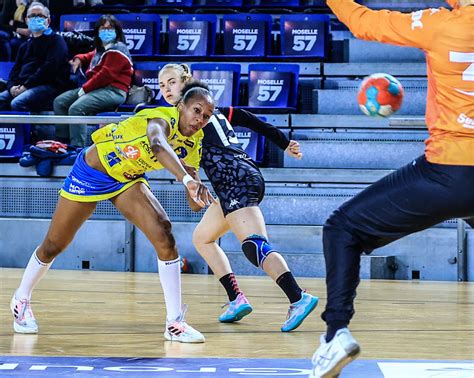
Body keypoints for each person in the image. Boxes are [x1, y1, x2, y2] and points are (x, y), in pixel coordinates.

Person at [310, 1, 474, 377]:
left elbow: (362, 22)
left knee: (342, 228)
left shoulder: (440, 24)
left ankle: (335, 334)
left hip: (450, 171)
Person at [10, 84, 216, 344]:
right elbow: (157, 144)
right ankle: (21, 298)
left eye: (207, 116)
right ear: (181, 107)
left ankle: (174, 322)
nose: (200, 119)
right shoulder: (160, 117)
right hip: (93, 172)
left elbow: (193, 199)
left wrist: (201, 197)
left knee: (164, 233)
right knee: (54, 244)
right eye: (196, 110)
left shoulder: (194, 141)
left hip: (126, 179)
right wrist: (187, 179)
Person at [158, 63, 319, 332]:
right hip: (231, 182)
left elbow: (245, 119)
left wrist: (282, 142)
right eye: (161, 85)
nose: (166, 89)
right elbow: (247, 118)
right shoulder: (199, 112)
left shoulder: (189, 114)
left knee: (254, 246)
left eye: (171, 82)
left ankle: (298, 297)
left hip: (236, 178)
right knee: (203, 238)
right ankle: (236, 298)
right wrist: (283, 142)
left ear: (185, 81)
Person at [54, 14, 133, 148]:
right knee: (60, 102)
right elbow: (90, 55)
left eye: (110, 28)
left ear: (117, 31)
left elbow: (105, 75)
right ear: (97, 31)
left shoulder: (119, 48)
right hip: (97, 89)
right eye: (103, 28)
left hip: (114, 90)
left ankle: (77, 148)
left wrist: (84, 90)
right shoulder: (101, 49)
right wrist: (79, 58)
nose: (106, 31)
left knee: (76, 108)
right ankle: (62, 143)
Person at [0, 2, 69, 112]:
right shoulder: (24, 45)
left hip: (48, 86)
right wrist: (11, 87)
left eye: (40, 16)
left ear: (48, 21)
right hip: (23, 86)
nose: (36, 18)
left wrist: (26, 86)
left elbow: (49, 69)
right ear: (26, 20)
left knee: (17, 102)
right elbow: (15, 71)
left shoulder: (56, 41)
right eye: (32, 16)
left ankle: (30, 129)